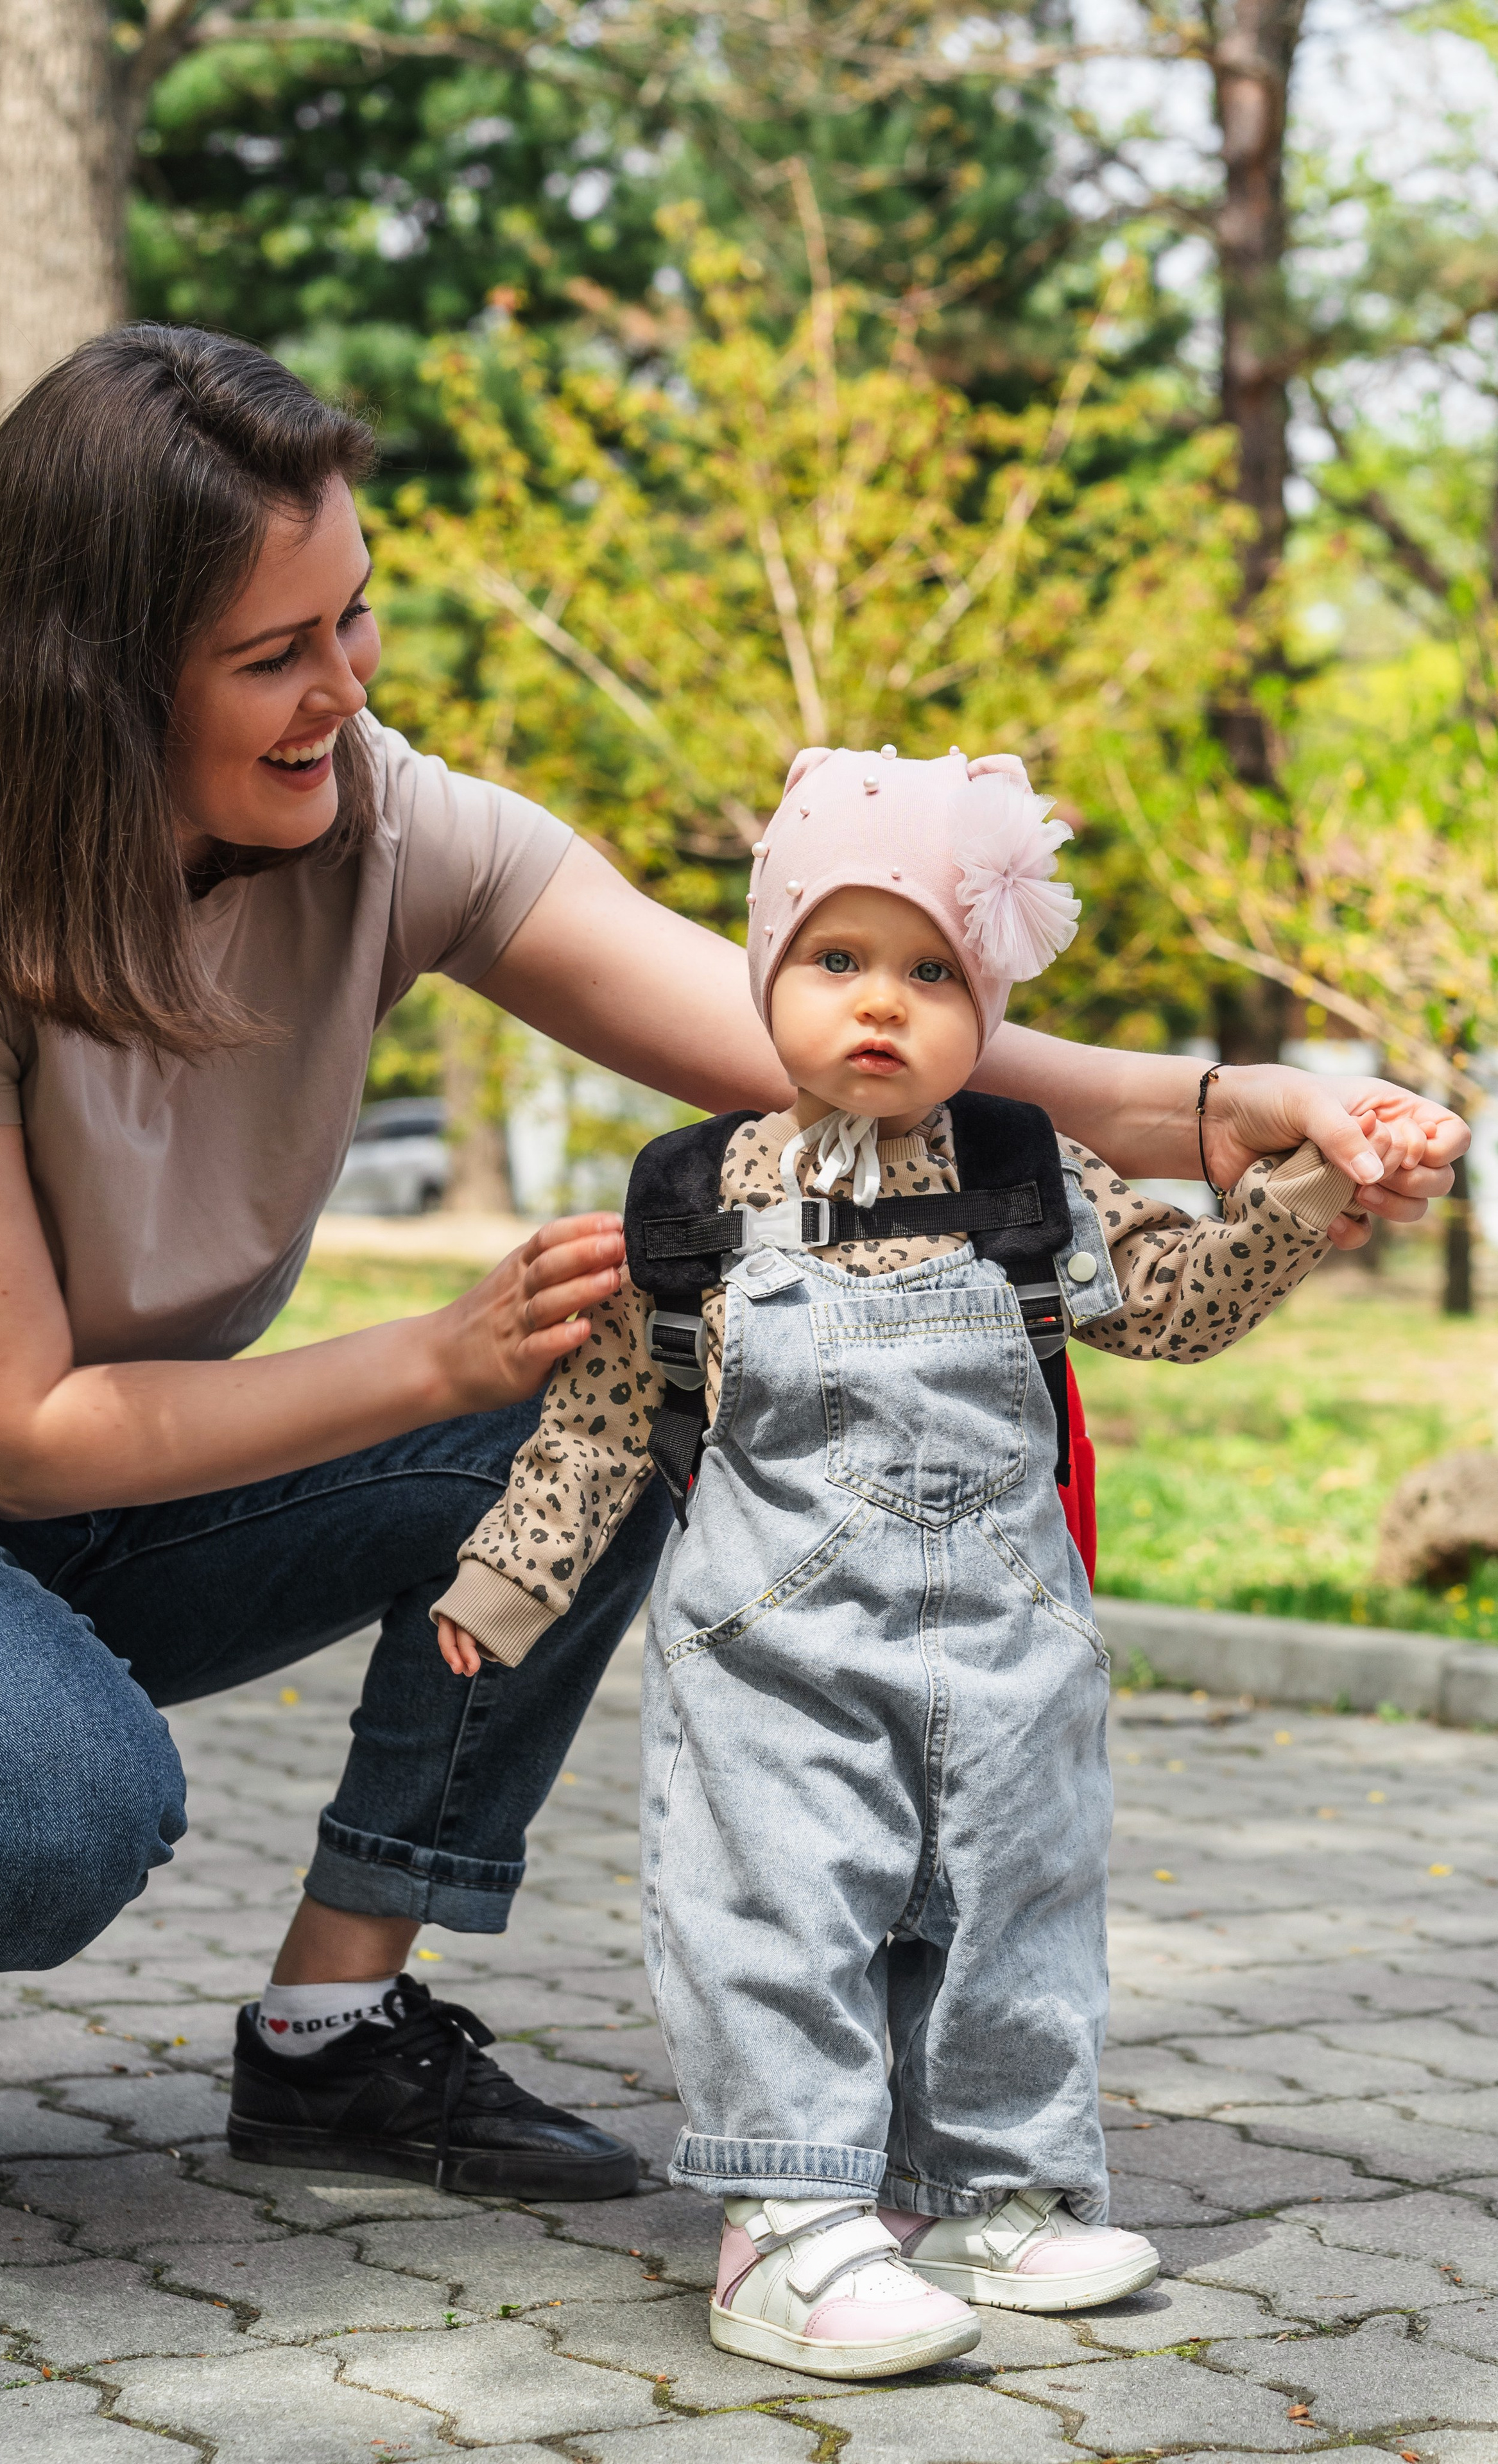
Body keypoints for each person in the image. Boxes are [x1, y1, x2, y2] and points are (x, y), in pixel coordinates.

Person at [0, 327, 1461, 2230]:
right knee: (31, 1805)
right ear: (101, 681)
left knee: (639, 1367)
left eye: (352, 621)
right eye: (273, 657)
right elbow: (23, 1435)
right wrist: (442, 1353)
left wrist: (1220, 1114)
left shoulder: (376, 814)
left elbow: (790, 1030)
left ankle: (332, 2028)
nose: (342, 691)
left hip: (133, 1475)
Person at [431, 746, 1423, 2378]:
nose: (880, 1004)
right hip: (773, 1651)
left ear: (990, 1000)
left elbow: (1172, 1305)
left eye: (933, 971)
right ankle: (790, 2222)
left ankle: (994, 2192)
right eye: (837, 961)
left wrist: (1308, 1200)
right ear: (764, 975)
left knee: (1014, 1909)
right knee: (778, 1907)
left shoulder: (1033, 1173)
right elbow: (605, 1419)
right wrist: (507, 1585)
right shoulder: (694, 1197)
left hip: (1011, 1642)